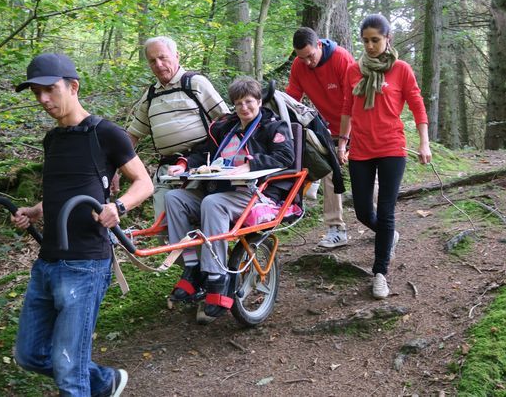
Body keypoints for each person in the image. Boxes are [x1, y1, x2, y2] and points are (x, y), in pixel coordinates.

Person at [11, 53, 153, 396]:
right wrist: (35, 210)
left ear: (72, 87)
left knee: (69, 371)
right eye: (36, 92)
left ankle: (90, 383)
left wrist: (118, 206)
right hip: (47, 262)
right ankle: (106, 382)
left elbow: (144, 184)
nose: (43, 99)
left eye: (49, 89)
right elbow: (66, 191)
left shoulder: (106, 133)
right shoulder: (53, 140)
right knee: (29, 354)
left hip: (85, 264)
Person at [164, 77, 294, 318]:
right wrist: (182, 164)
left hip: (254, 194)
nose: (244, 108)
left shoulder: (273, 127)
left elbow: (286, 157)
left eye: (249, 102)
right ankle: (192, 267)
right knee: (174, 198)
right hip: (216, 189)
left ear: (259, 101)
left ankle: (216, 278)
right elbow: (202, 151)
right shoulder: (225, 126)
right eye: (238, 103)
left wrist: (250, 164)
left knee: (212, 204)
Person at [339, 14, 432, 299]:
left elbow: (417, 106)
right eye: (365, 40)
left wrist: (424, 143)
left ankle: (380, 273)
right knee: (363, 211)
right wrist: (342, 143)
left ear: (387, 38)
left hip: (392, 147)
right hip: (361, 150)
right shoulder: (354, 71)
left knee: (387, 211)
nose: (370, 46)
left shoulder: (401, 69)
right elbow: (346, 108)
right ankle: (388, 235)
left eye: (375, 40)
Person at [125, 36, 230, 222]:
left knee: (194, 226)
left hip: (198, 167)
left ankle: (203, 252)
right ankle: (176, 251)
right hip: (166, 170)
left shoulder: (195, 83)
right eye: (152, 60)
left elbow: (225, 121)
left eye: (163, 57)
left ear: (176, 56)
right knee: (163, 226)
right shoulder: (151, 95)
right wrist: (116, 165)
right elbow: (133, 134)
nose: (158, 64)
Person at [286, 27, 355, 249]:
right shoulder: (299, 66)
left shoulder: (341, 58)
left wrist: (345, 141)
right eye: (301, 57)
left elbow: (352, 101)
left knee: (367, 178)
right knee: (329, 172)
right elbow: (292, 99)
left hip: (357, 125)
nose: (306, 62)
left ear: (319, 45)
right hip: (328, 130)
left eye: (310, 56)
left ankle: (379, 222)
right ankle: (336, 228)